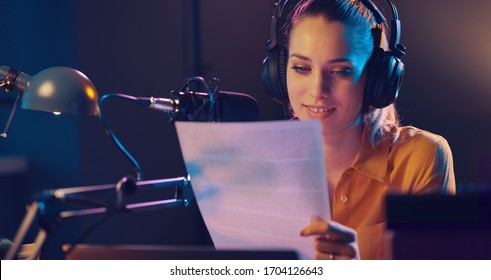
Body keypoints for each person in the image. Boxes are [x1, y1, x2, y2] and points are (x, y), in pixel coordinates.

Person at [262, 0, 456, 260]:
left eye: (340, 71)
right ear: (278, 72)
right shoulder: (259, 165)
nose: (318, 90)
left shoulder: (421, 158)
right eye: (301, 68)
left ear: (376, 80)